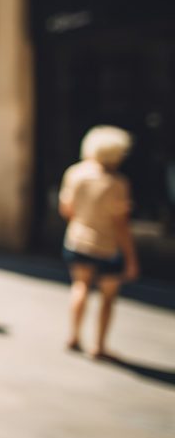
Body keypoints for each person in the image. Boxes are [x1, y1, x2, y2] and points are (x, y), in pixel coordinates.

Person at [60, 125, 139, 360]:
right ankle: (99, 345)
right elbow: (121, 224)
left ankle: (74, 335)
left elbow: (66, 209)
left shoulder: (75, 173)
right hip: (107, 246)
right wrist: (131, 258)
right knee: (108, 297)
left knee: (80, 286)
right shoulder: (117, 182)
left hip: (78, 239)